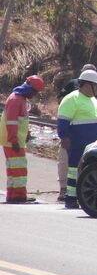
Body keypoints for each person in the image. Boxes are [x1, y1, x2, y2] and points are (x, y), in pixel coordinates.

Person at [56, 64, 97, 201]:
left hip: (94, 146)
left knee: (90, 172)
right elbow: (63, 121)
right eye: (95, 86)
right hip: (78, 144)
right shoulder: (72, 99)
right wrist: (64, 137)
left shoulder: (94, 101)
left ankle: (87, 197)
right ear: (86, 84)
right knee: (74, 170)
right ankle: (71, 197)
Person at [1, 75, 44, 203]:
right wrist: (14, 140)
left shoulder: (20, 98)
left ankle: (12, 195)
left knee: (13, 168)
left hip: (14, 140)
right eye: (35, 92)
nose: (34, 95)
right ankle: (18, 196)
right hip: (13, 142)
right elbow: (12, 122)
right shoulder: (16, 100)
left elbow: (20, 121)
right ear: (29, 88)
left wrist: (26, 134)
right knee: (19, 169)